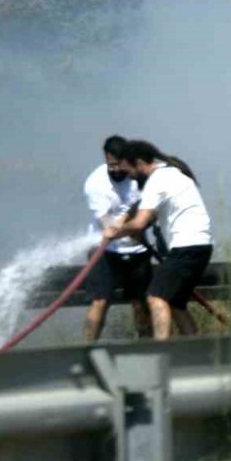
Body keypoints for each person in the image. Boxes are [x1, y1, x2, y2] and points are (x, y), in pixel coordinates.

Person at [103, 140, 214, 339]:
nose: (129, 176)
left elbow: (139, 223)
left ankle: (162, 353)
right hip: (201, 246)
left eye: (129, 171)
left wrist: (116, 231)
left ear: (138, 163)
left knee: (156, 297)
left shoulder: (157, 180)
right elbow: (148, 216)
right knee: (176, 304)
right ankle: (197, 350)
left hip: (186, 246)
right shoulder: (172, 173)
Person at [83, 135, 153, 342]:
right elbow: (105, 223)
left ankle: (146, 349)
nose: (115, 170)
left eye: (119, 165)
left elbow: (144, 210)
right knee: (100, 301)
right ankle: (86, 348)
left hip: (137, 250)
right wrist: (115, 228)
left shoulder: (139, 178)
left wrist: (127, 223)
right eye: (110, 165)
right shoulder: (94, 183)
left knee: (141, 303)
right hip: (104, 251)